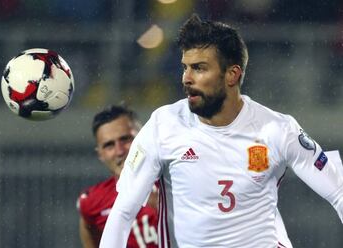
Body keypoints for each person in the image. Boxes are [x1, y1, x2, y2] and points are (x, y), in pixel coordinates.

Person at [99, 14, 343, 248]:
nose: (186, 78)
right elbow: (123, 211)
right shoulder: (163, 126)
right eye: (185, 67)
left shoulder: (277, 129)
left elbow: (338, 191)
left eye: (199, 68)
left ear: (232, 74)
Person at [77, 105, 159, 248]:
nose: (120, 151)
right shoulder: (93, 203)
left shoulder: (175, 181)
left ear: (142, 138)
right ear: (100, 154)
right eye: (109, 145)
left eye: (125, 139)